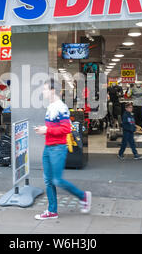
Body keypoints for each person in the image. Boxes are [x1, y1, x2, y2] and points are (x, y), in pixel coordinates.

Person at [34, 79, 91, 220]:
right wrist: (44, 130)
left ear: (53, 90)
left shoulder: (61, 107)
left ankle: (83, 196)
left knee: (57, 180)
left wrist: (47, 129)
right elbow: (55, 127)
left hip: (58, 148)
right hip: (48, 148)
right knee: (48, 181)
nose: (43, 91)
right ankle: (52, 211)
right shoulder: (51, 106)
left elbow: (66, 129)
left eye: (45, 89)